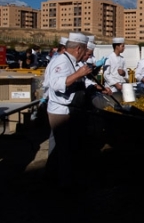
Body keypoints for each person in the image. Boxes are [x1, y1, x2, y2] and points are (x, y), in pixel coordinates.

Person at [45, 32, 93, 189]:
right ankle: (64, 186)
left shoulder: (70, 60)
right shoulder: (62, 61)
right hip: (60, 111)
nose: (85, 54)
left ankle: (56, 179)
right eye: (85, 50)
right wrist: (79, 74)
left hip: (68, 110)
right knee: (64, 150)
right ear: (78, 49)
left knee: (64, 149)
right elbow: (56, 83)